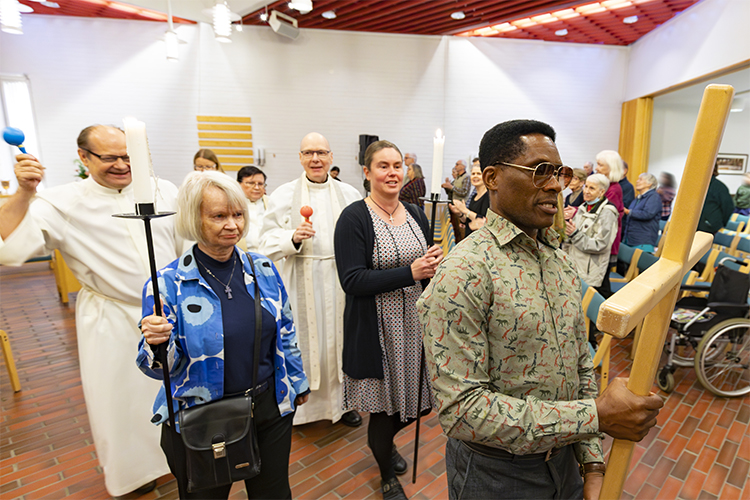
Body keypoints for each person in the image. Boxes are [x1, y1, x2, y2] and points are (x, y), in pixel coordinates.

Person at [417, 119, 663, 500]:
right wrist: (595, 416)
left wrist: (592, 461)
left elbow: (580, 365)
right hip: (498, 475)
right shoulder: (465, 272)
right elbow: (462, 411)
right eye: (540, 171)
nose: (555, 185)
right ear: (493, 177)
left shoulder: (559, 262)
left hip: (565, 465)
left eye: (560, 173)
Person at [0, 125, 184, 496]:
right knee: (119, 402)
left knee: (179, 391)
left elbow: (185, 243)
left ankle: (179, 460)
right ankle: (133, 474)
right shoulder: (62, 201)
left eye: (130, 156)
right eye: (110, 157)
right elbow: (10, 250)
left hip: (168, 312)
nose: (122, 165)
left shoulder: (163, 190)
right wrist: (24, 193)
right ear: (84, 157)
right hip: (112, 316)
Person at [137, 172, 309, 499]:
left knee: (273, 494)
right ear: (193, 219)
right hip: (204, 417)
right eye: (218, 216)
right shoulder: (167, 284)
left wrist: (297, 382)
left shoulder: (263, 269)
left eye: (238, 214)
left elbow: (285, 330)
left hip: (269, 408)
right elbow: (158, 369)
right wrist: (156, 342)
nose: (232, 224)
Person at [334, 141, 443, 500]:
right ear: (367, 173)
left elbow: (424, 270)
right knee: (384, 411)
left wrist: (433, 265)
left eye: (397, 165)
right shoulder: (354, 218)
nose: (393, 172)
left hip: (415, 326)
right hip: (377, 331)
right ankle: (385, 473)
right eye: (383, 166)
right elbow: (352, 281)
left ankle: (388, 444)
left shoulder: (415, 212)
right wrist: (410, 271)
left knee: (417, 403)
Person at [260, 132, 363, 427]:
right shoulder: (283, 194)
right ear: (300, 158)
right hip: (301, 278)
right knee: (306, 345)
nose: (315, 159)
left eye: (321, 152)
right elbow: (264, 241)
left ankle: (343, 405)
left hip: (340, 280)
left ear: (331, 157)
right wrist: (291, 237)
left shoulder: (351, 195)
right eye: (308, 153)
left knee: (339, 344)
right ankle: (302, 409)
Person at [564, 174, 619, 293]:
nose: (586, 191)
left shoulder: (607, 213)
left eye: (592, 188)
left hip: (591, 270)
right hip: (576, 265)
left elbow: (600, 244)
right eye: (586, 186)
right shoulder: (584, 206)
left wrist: (575, 234)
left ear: (602, 192)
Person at [594, 150, 625, 297]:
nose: (596, 168)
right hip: (601, 237)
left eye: (600, 165)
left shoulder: (613, 189)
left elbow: (599, 213)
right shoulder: (607, 186)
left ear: (611, 168)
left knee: (601, 280)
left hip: (605, 239)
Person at [623, 173, 662, 252]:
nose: (637, 181)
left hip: (642, 241)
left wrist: (627, 211)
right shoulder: (638, 197)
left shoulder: (654, 197)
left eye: (640, 180)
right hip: (630, 239)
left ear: (649, 184)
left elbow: (647, 214)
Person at [449, 161, 489, 238]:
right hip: (470, 237)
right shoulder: (474, 196)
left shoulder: (488, 196)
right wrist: (459, 213)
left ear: (485, 176)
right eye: (473, 174)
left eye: (479, 174)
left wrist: (465, 210)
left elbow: (484, 220)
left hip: (480, 239)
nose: (475, 176)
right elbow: (467, 220)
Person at [237, 165, 268, 252]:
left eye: (260, 184)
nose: (257, 187)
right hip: (242, 254)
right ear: (239, 184)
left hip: (268, 256)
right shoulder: (232, 204)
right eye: (251, 183)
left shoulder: (272, 203)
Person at [697, 163, 734, 234]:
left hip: (709, 226)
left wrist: (720, 223)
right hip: (696, 224)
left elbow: (728, 208)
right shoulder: (696, 185)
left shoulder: (719, 187)